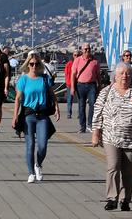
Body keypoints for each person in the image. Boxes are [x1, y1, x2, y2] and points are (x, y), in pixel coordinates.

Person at [92, 59, 132, 210]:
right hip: (110, 136)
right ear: (115, 76)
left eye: (127, 74)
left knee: (128, 170)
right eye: (121, 73)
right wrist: (95, 133)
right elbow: (97, 113)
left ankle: (125, 199)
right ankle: (112, 198)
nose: (124, 76)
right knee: (113, 166)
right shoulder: (106, 92)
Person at [13, 54, 57, 182]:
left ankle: (38, 164)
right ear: (27, 65)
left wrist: (57, 109)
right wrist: (15, 116)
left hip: (42, 115)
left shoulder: (44, 79)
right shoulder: (23, 80)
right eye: (31, 64)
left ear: (40, 65)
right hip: (28, 115)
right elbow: (17, 98)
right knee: (30, 144)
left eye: (36, 64)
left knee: (43, 145)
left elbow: (51, 93)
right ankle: (31, 172)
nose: (34, 66)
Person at [72, 44, 101, 132]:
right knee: (81, 106)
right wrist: (73, 87)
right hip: (80, 85)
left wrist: (99, 86)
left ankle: (90, 124)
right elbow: (73, 74)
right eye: (85, 49)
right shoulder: (77, 60)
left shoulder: (95, 61)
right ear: (82, 50)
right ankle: (82, 126)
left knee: (92, 104)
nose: (87, 51)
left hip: (92, 85)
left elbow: (98, 75)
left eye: (88, 49)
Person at [64, 46, 81, 119]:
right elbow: (67, 74)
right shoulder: (69, 64)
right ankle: (69, 113)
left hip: (79, 83)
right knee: (69, 99)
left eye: (77, 55)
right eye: (75, 55)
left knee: (80, 100)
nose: (76, 56)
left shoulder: (81, 63)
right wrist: (69, 83)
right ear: (73, 56)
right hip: (70, 84)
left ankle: (79, 114)